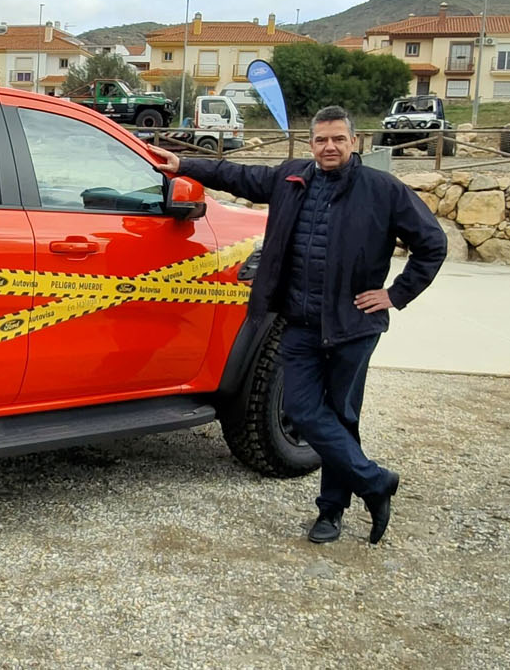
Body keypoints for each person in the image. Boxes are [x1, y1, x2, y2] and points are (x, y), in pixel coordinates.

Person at [149, 105, 446, 545]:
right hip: (299, 323)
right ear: (311, 144)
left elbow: (432, 244)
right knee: (306, 412)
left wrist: (395, 294)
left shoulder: (382, 189)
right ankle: (375, 481)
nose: (329, 147)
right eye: (321, 140)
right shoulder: (291, 179)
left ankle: (331, 512)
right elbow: (237, 175)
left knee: (342, 419)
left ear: (354, 142)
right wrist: (185, 164)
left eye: (338, 139)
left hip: (353, 326)